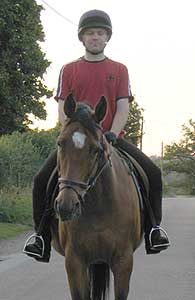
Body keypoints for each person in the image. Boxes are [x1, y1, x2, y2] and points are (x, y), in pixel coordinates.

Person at [23, 9, 170, 263]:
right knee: (41, 181)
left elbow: (123, 106)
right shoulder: (69, 70)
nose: (95, 37)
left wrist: (112, 133)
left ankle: (153, 230)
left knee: (153, 173)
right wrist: (71, 133)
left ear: (107, 37)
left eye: (100, 33)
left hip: (110, 137)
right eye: (90, 33)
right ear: (82, 38)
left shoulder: (119, 69)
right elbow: (62, 107)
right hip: (76, 140)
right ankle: (41, 238)